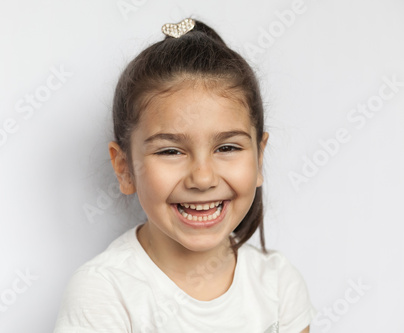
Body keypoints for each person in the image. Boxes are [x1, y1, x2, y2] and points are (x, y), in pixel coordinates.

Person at [53, 18, 316, 333]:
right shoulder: (105, 293)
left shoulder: (279, 285)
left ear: (259, 160)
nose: (203, 179)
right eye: (170, 151)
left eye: (227, 147)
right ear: (124, 169)